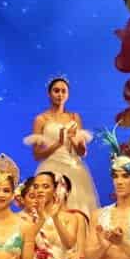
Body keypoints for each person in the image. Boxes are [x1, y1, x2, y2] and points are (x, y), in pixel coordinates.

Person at [27, 76, 97, 217]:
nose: (60, 94)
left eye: (63, 91)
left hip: (74, 169)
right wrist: (58, 143)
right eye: (56, 91)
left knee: (76, 211)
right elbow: (37, 155)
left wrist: (72, 139)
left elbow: (82, 152)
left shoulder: (74, 117)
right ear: (49, 93)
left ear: (68, 94)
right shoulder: (41, 119)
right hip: (50, 170)